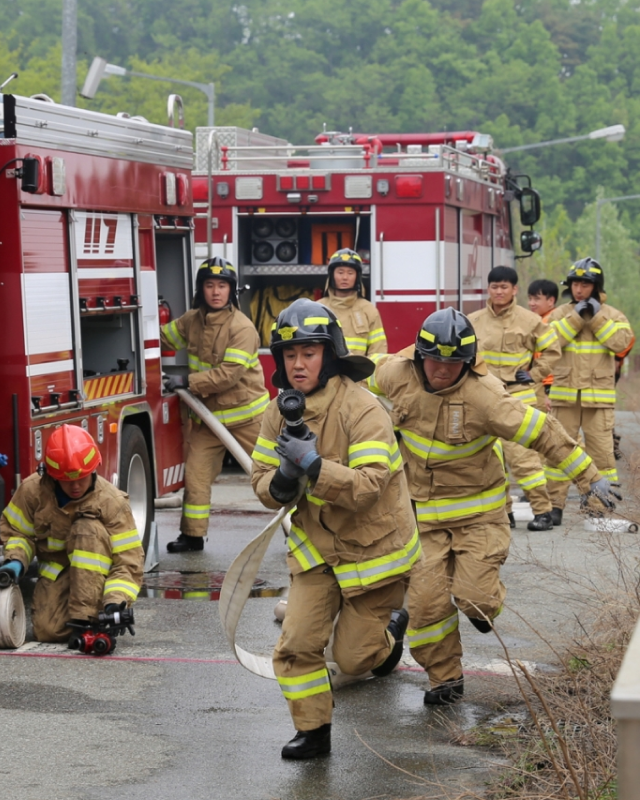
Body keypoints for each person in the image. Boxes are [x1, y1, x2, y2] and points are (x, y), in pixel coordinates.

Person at [370, 309, 610, 705]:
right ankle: (445, 679)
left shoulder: (488, 397)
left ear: (466, 362)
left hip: (477, 517)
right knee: (426, 607)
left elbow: (543, 433)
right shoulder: (397, 373)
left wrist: (589, 475)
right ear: (418, 355)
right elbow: (354, 376)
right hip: (422, 522)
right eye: (432, 360)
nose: (440, 370)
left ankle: (481, 610)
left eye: (451, 363)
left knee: (476, 598)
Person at [251, 299, 416, 760]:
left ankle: (389, 638)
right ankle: (314, 731)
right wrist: (281, 480)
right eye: (289, 355)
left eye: (308, 353)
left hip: (374, 551)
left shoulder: (363, 409)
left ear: (330, 352)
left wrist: (315, 466)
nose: (298, 364)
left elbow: (366, 488)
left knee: (351, 659)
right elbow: (260, 483)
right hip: (317, 551)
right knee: (296, 645)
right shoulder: (277, 412)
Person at [0, 424, 144, 645]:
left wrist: (114, 602)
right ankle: (88, 621)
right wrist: (16, 560)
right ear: (52, 475)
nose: (75, 486)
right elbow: (18, 533)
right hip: (59, 573)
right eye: (67, 480)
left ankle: (89, 619)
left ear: (93, 469)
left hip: (97, 578)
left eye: (81, 478)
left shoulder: (112, 502)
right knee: (47, 632)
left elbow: (129, 562)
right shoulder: (32, 491)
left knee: (87, 528)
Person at [161, 256, 268, 553]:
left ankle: (299, 527)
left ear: (231, 290)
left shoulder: (241, 327)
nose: (216, 291)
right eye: (210, 285)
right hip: (208, 418)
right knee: (195, 474)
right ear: (201, 289)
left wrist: (188, 383)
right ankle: (192, 536)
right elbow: (161, 339)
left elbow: (229, 376)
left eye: (222, 285)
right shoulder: (192, 320)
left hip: (248, 418)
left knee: (271, 472)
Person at [468, 266, 560, 531]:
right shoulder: (474, 320)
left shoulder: (529, 320)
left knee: (523, 457)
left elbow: (552, 350)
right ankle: (503, 513)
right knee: (490, 458)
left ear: (514, 289)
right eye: (494, 286)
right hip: (484, 395)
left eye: (504, 287)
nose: (499, 291)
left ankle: (543, 512)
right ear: (488, 288)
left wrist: (534, 374)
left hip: (517, 394)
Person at [544, 258, 634, 524]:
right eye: (575, 283)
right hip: (565, 395)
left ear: (596, 286)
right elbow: (550, 342)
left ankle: (597, 506)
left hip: (599, 398)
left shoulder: (613, 315)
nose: (579, 289)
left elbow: (621, 344)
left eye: (585, 284)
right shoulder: (560, 314)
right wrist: (575, 317)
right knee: (559, 450)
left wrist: (595, 318)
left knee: (603, 456)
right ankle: (554, 507)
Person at [318, 248, 388, 360]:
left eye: (350, 273)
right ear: (332, 275)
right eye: (340, 272)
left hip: (358, 376)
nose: (345, 277)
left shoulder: (368, 310)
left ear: (357, 277)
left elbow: (378, 352)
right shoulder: (318, 309)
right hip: (326, 376)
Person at [527, 278, 560, 411]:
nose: (531, 303)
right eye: (530, 299)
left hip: (547, 386)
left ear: (551, 301)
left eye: (536, 299)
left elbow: (549, 361)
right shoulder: (545, 319)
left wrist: (547, 392)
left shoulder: (548, 323)